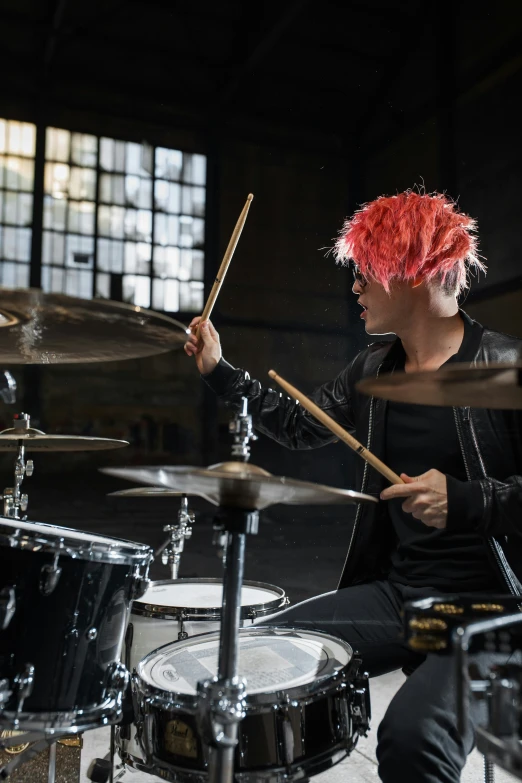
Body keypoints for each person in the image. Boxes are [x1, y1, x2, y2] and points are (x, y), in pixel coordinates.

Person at [184, 190, 522, 783]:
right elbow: (298, 423)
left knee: (414, 738)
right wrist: (220, 371)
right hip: (401, 598)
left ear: (412, 272)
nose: (356, 287)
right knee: (257, 658)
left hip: (496, 614)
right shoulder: (372, 369)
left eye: (367, 271)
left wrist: (469, 501)